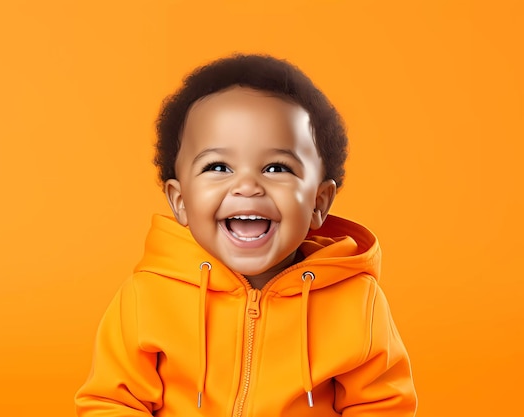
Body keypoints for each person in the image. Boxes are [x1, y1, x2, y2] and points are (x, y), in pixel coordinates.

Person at [75, 54, 417, 416]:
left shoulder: (357, 301)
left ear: (319, 202)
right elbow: (111, 402)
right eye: (218, 166)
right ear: (180, 201)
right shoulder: (146, 297)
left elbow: (382, 407)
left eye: (276, 167)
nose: (248, 186)